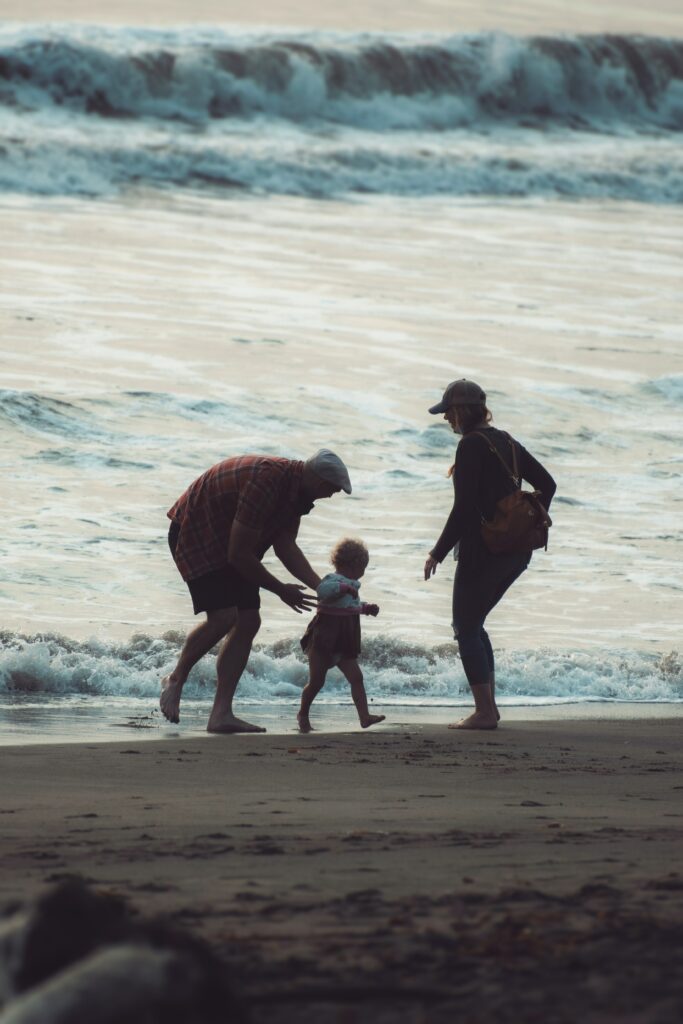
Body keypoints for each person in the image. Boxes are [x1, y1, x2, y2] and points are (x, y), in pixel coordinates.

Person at [161, 449, 352, 734]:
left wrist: (323, 587)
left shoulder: (298, 492)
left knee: (249, 620)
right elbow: (238, 554)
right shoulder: (268, 481)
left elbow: (285, 545)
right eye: (331, 489)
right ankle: (176, 679)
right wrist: (280, 590)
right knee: (224, 617)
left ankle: (221, 715)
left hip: (232, 540)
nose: (331, 495)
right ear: (316, 479)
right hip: (197, 530)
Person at [424, 379, 556, 730]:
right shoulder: (506, 441)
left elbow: (464, 508)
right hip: (515, 552)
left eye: (448, 411)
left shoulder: (471, 446)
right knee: (474, 624)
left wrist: (437, 552)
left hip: (483, 551)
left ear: (462, 411)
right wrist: (521, 522)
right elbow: (549, 483)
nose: (446, 419)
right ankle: (489, 709)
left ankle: (484, 712)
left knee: (465, 626)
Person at [297, 537, 385, 733]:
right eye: (363, 567)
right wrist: (343, 588)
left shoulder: (351, 585)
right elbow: (322, 591)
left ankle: (364, 716)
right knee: (317, 682)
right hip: (324, 640)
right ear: (353, 566)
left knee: (356, 677)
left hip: (344, 641)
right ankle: (303, 713)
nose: (363, 572)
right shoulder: (332, 580)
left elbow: (348, 607)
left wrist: (365, 608)